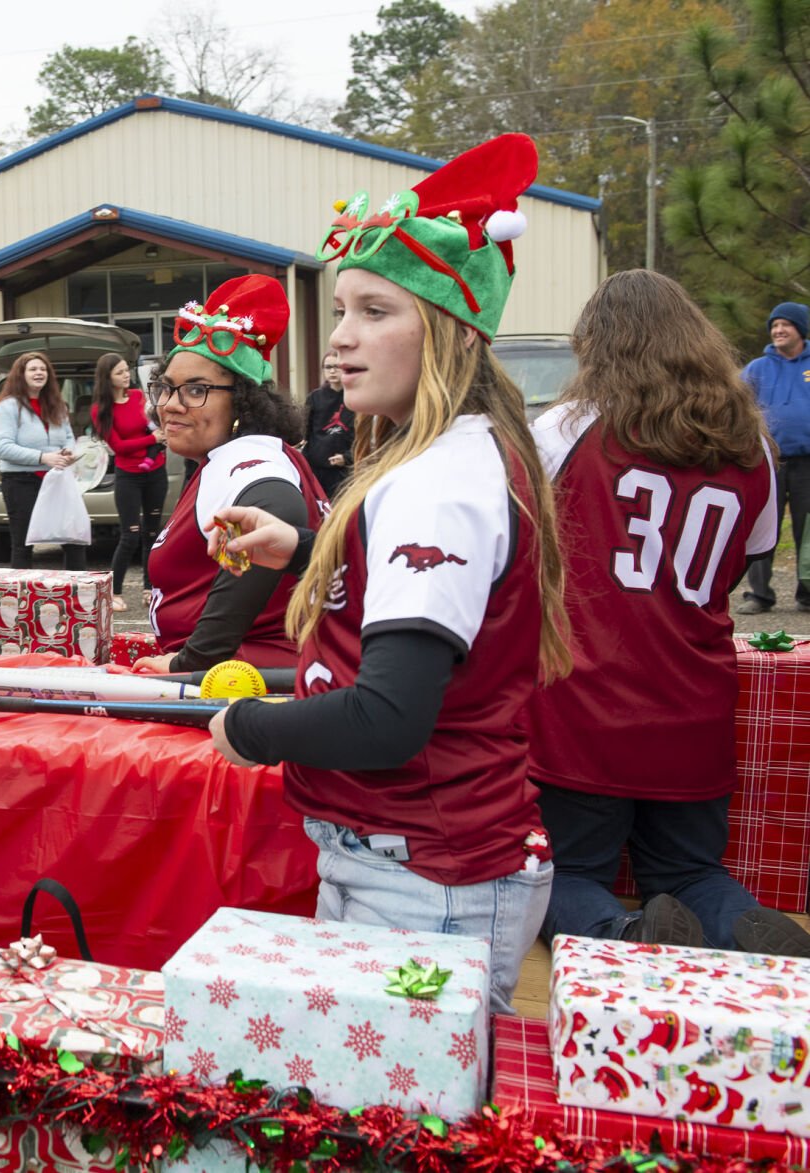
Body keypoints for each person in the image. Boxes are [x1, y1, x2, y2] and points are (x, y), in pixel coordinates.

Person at [209, 135, 570, 1014]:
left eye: (375, 311)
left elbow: (387, 718)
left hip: (426, 871)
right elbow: (422, 607)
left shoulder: (437, 484)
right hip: (409, 858)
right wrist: (304, 550)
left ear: (445, 328)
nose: (340, 340)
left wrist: (247, 727)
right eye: (340, 311)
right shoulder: (444, 457)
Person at [528, 271, 810, 957]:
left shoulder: (566, 428)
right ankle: (747, 929)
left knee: (560, 877)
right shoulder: (752, 445)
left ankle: (621, 934)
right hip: (693, 700)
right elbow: (755, 553)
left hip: (584, 703)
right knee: (692, 872)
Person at [130, 276, 327, 676]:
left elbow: (278, 507)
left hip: (241, 683)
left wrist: (197, 659)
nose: (170, 404)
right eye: (165, 388)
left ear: (243, 400)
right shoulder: (226, 457)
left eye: (196, 390)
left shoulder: (243, 455)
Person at [738, 301, 810, 615]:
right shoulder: (757, 369)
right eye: (774, 326)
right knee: (763, 527)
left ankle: (807, 594)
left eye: (786, 325)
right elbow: (737, 409)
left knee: (808, 531)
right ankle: (759, 594)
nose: (779, 331)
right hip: (767, 461)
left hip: (808, 462)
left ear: (801, 330)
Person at [0, 352, 86, 570]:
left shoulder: (57, 405)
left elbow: (69, 436)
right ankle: (18, 600)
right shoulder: (7, 407)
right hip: (21, 482)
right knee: (23, 544)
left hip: (56, 481)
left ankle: (78, 597)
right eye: (33, 369)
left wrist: (69, 453)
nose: (39, 373)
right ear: (21, 374)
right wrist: (43, 457)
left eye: (43, 369)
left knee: (73, 540)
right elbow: (3, 448)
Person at [92, 352, 166, 612]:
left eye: (126, 370)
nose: (126, 375)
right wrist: (152, 440)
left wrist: (158, 438)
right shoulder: (100, 410)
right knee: (130, 536)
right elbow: (119, 446)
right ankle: (114, 591)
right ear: (107, 378)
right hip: (128, 477)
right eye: (120, 372)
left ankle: (150, 589)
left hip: (156, 472)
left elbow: (152, 425)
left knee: (152, 534)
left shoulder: (138, 397)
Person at [303, 350, 355, 498]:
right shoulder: (315, 397)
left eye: (336, 366)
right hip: (316, 468)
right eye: (327, 367)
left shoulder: (354, 397)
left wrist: (347, 458)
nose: (332, 371)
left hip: (343, 471)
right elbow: (305, 432)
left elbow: (361, 436)